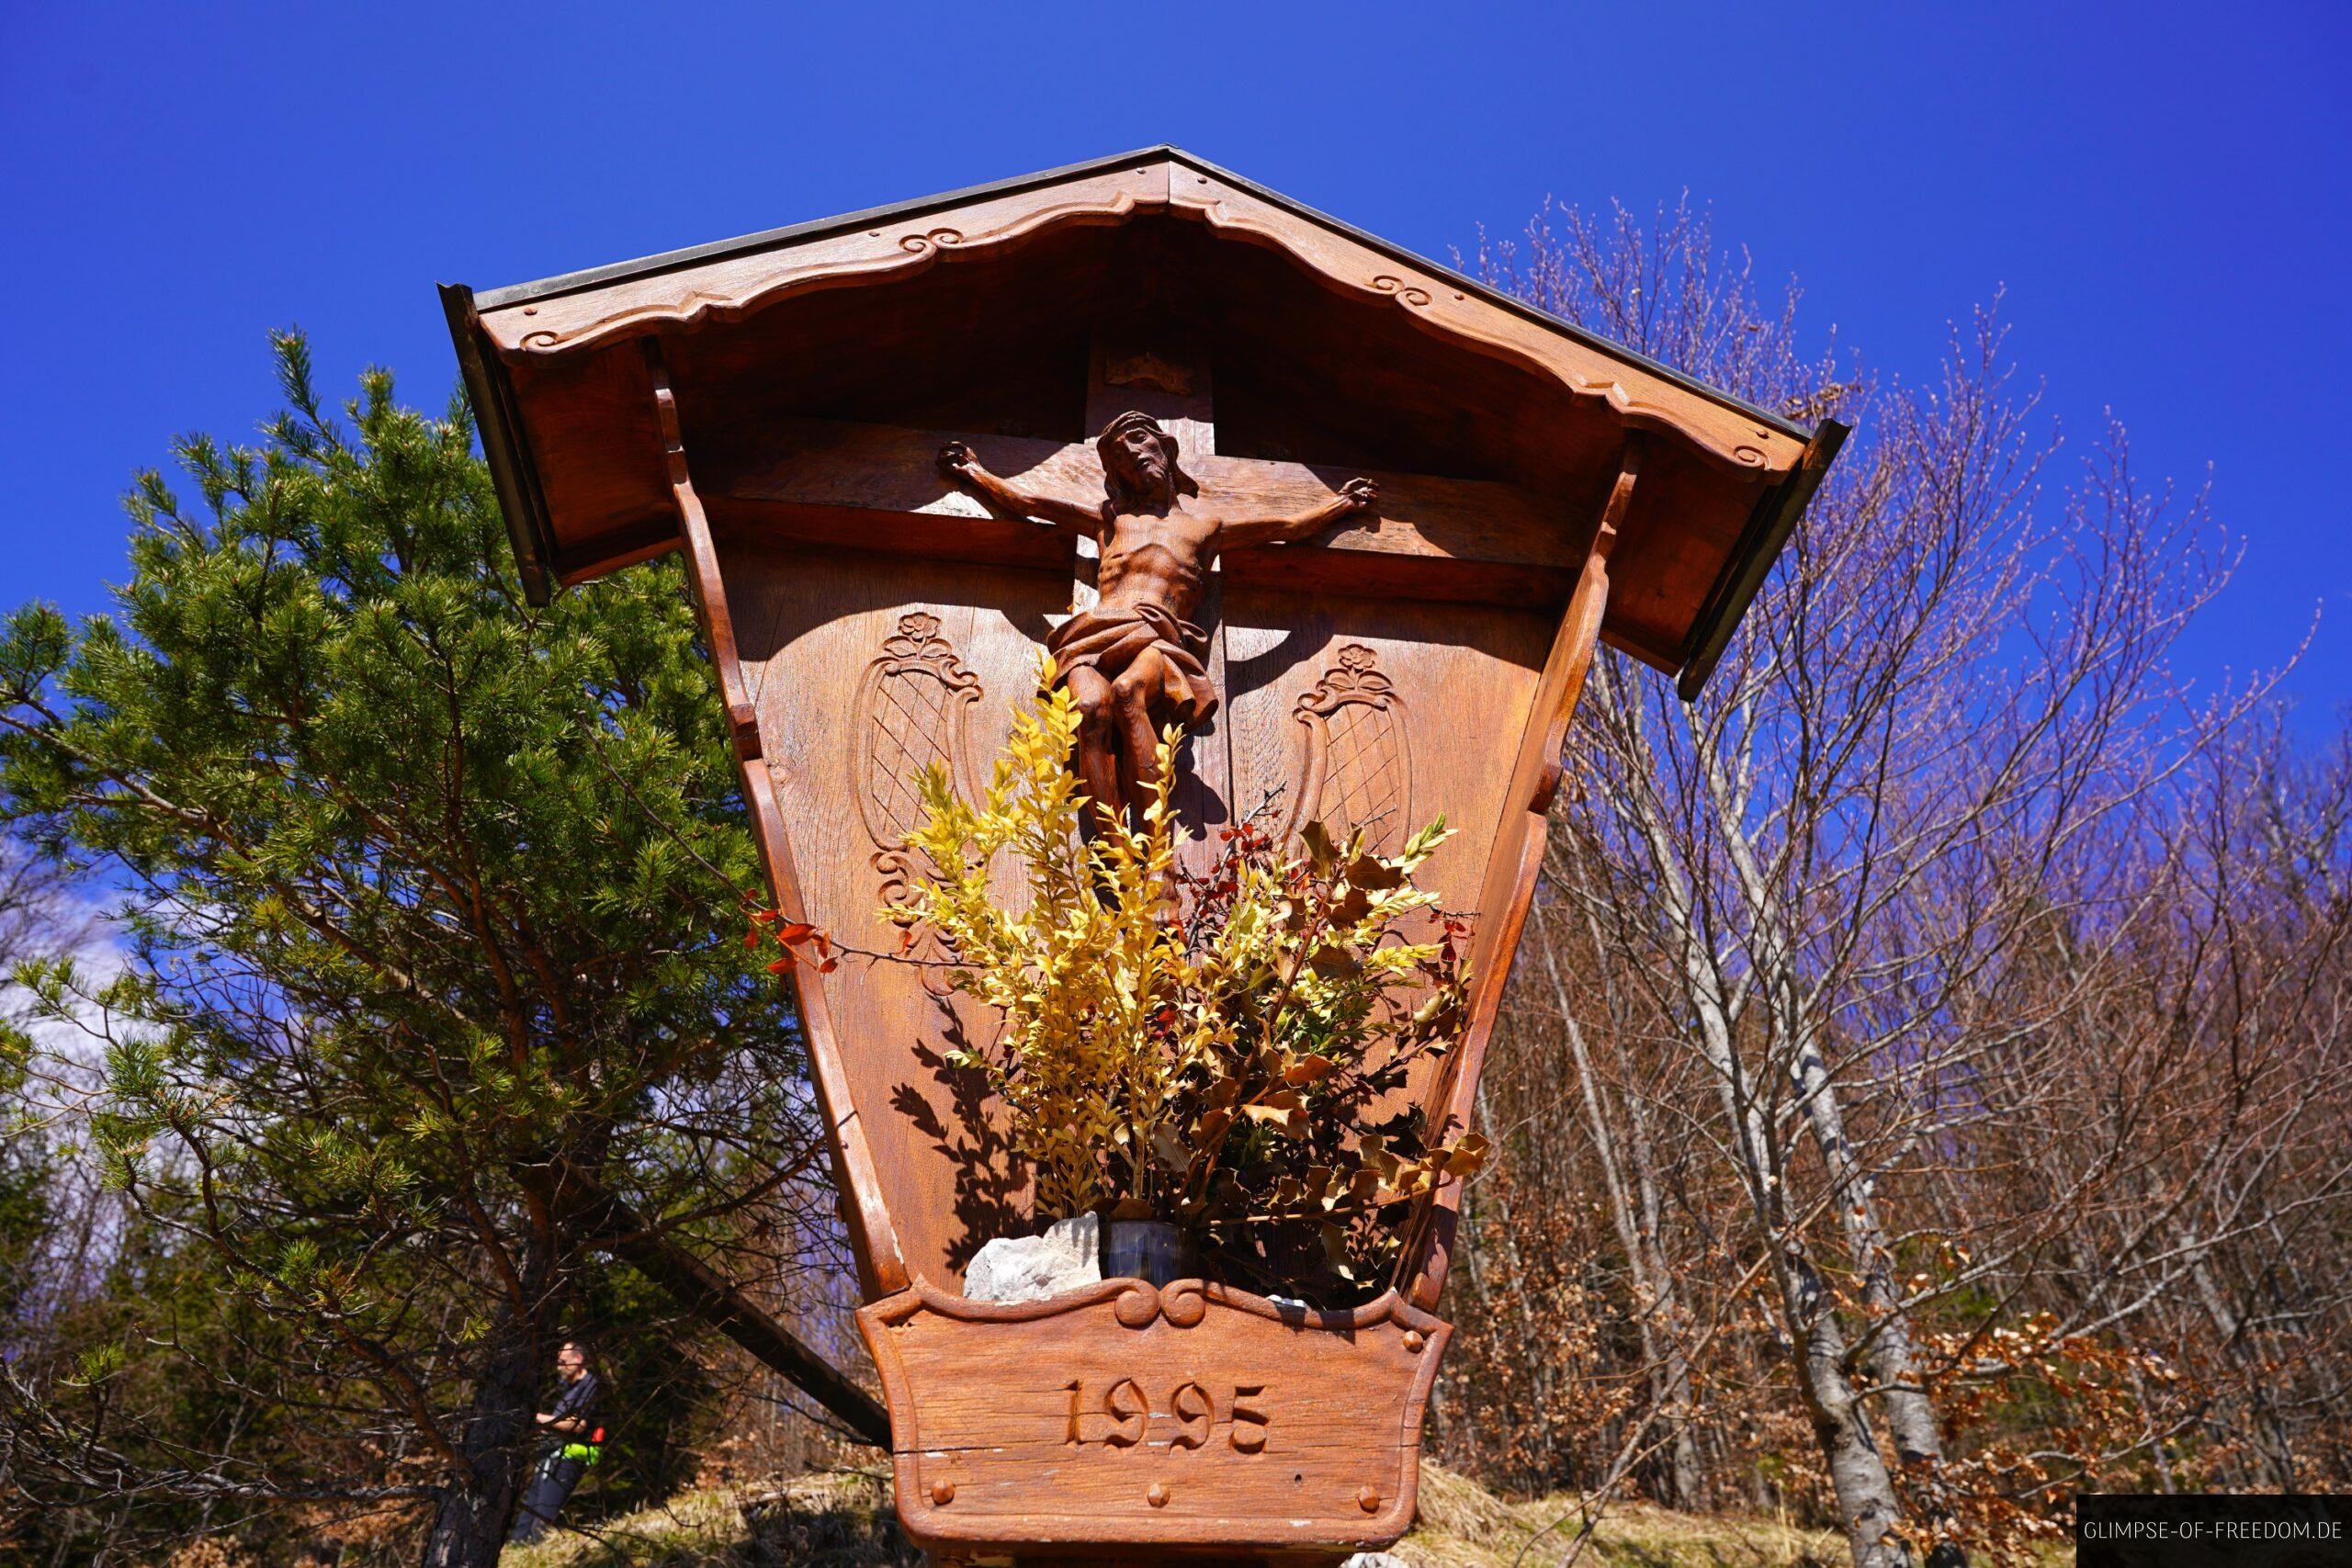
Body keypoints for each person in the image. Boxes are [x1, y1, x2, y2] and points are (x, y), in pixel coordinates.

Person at [941, 412, 1376, 821]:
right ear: (1118, 476)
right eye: (1117, 456)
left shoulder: (1206, 529)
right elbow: (1030, 502)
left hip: (1156, 635)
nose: (1130, 454)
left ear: (1166, 448)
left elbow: (1286, 527)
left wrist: (1340, 505)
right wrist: (975, 473)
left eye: (1137, 440)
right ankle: (1118, 852)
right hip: (1095, 633)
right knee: (1090, 710)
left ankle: (1154, 859)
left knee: (1129, 692)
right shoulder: (1109, 518)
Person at [506, 1339, 605, 1545]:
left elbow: (577, 1424)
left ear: (578, 1359)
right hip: (549, 1458)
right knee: (523, 1526)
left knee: (541, 1523)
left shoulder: (590, 1385)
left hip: (567, 1459)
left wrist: (536, 1417)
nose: (558, 1365)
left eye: (563, 1360)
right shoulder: (570, 1389)